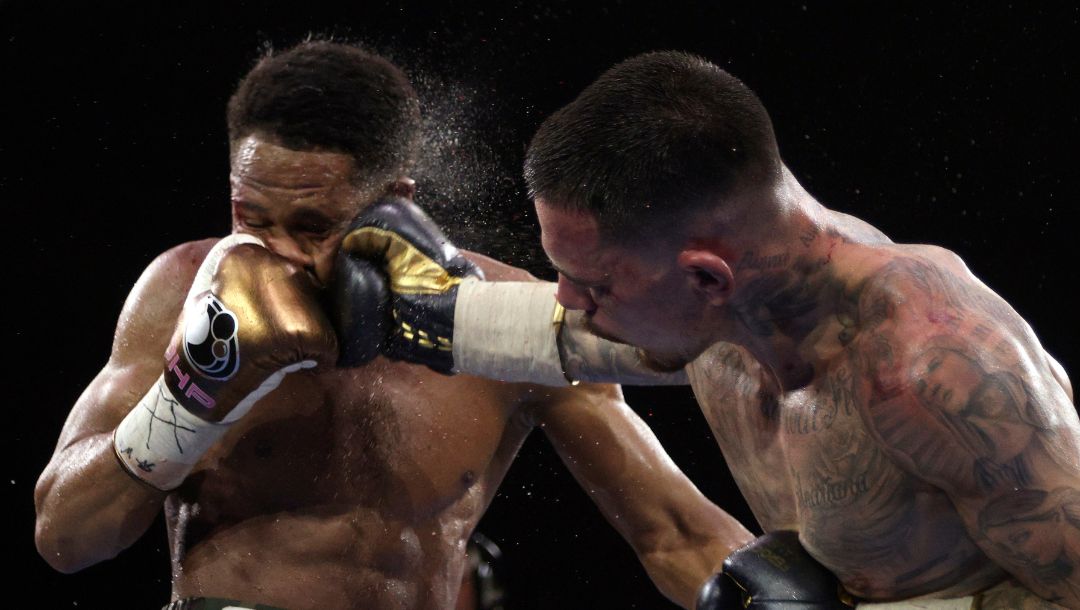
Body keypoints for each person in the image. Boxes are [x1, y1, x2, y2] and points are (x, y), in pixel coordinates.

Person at [33, 41, 755, 610]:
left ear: (395, 201)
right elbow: (64, 537)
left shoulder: (508, 318)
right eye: (251, 218)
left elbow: (674, 533)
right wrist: (191, 391)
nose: (276, 252)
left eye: (312, 225)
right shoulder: (181, 290)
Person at [353, 51, 1080, 608]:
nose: (570, 301)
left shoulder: (940, 375)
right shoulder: (728, 316)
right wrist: (419, 310)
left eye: (596, 284)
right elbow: (577, 337)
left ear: (705, 278)